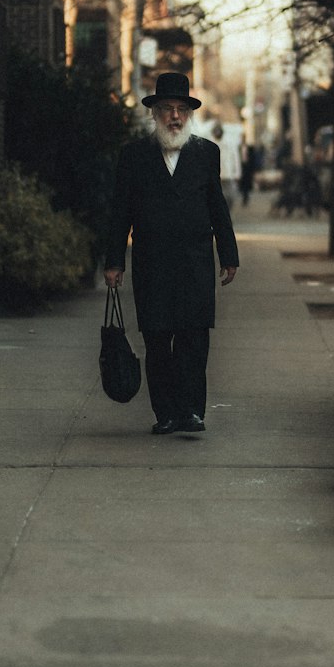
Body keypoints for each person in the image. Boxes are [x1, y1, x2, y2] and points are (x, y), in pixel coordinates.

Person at [104, 73, 239, 436]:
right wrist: (114, 261)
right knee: (159, 341)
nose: (175, 116)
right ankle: (165, 413)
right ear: (155, 114)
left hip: (195, 262)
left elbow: (217, 207)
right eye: (167, 109)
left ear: (189, 114)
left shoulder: (206, 153)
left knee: (194, 341)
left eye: (181, 109)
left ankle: (192, 412)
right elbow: (121, 212)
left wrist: (229, 255)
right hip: (153, 263)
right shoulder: (134, 156)